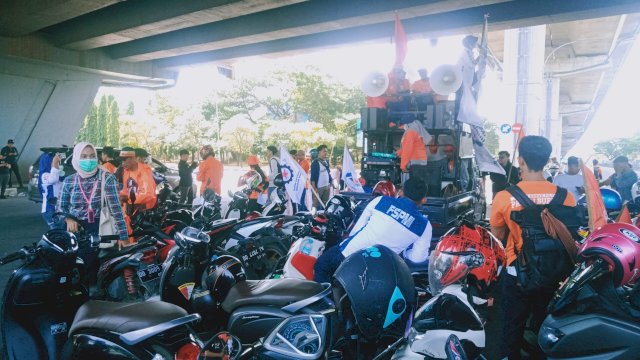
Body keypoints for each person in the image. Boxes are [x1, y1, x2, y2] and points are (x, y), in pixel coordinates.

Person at [490, 136, 577, 360]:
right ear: (547, 160)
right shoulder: (566, 197)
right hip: (556, 274)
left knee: (511, 327)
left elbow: (498, 236)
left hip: (517, 273)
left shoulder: (504, 197)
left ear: (520, 161)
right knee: (546, 326)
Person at [313, 177, 432, 283]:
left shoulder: (381, 201)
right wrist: (405, 252)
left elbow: (356, 230)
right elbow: (418, 258)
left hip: (349, 255)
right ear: (423, 199)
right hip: (378, 273)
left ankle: (327, 303)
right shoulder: (425, 226)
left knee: (321, 265)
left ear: (402, 191)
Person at [58, 142, 128, 248]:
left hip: (98, 231)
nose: (88, 160)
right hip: (74, 232)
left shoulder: (107, 178)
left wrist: (123, 236)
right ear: (76, 157)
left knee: (93, 263)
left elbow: (116, 209)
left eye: (92, 156)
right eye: (84, 156)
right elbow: (60, 207)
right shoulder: (69, 181)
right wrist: (68, 219)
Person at [119, 147, 157, 213]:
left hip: (143, 211)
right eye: (121, 160)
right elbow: (126, 190)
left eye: (125, 160)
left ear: (133, 158)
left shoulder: (144, 172)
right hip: (130, 209)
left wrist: (128, 198)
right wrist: (119, 197)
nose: (123, 163)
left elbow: (148, 194)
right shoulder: (126, 171)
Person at [396, 115, 429, 185]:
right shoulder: (415, 128)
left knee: (416, 186)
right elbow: (410, 146)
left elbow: (408, 149)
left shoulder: (411, 131)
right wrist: (399, 152)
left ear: (407, 124)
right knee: (419, 184)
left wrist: (403, 165)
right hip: (420, 162)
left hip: (416, 163)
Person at [39, 153, 63, 228]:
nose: (57, 164)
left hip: (57, 210)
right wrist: (55, 162)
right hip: (50, 209)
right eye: (56, 162)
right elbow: (53, 179)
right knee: (58, 233)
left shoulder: (55, 172)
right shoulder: (44, 175)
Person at [310, 144, 333, 210]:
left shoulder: (326, 162)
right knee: (316, 205)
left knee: (325, 204)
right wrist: (314, 188)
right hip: (318, 188)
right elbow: (313, 177)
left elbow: (328, 173)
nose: (326, 153)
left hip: (327, 187)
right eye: (324, 151)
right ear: (319, 152)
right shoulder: (315, 163)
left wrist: (331, 181)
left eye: (326, 151)